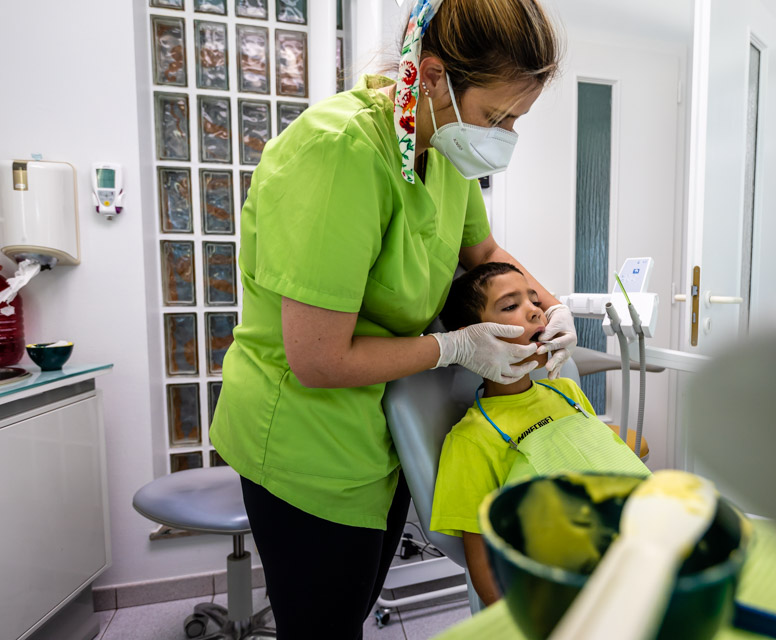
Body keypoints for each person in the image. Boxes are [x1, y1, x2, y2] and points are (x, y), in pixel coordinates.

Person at [209, 0, 569, 637]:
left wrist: (552, 305)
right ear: (432, 76)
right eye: (497, 115)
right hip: (303, 441)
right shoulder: (338, 152)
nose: (506, 134)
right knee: (323, 625)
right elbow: (318, 359)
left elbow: (481, 253)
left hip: (380, 431)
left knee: (352, 609)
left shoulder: (442, 151)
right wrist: (456, 348)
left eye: (518, 119)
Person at [430, 263, 651, 605]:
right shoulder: (471, 439)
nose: (536, 311)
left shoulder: (566, 390)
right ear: (474, 337)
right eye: (510, 306)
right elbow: (484, 567)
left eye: (534, 300)